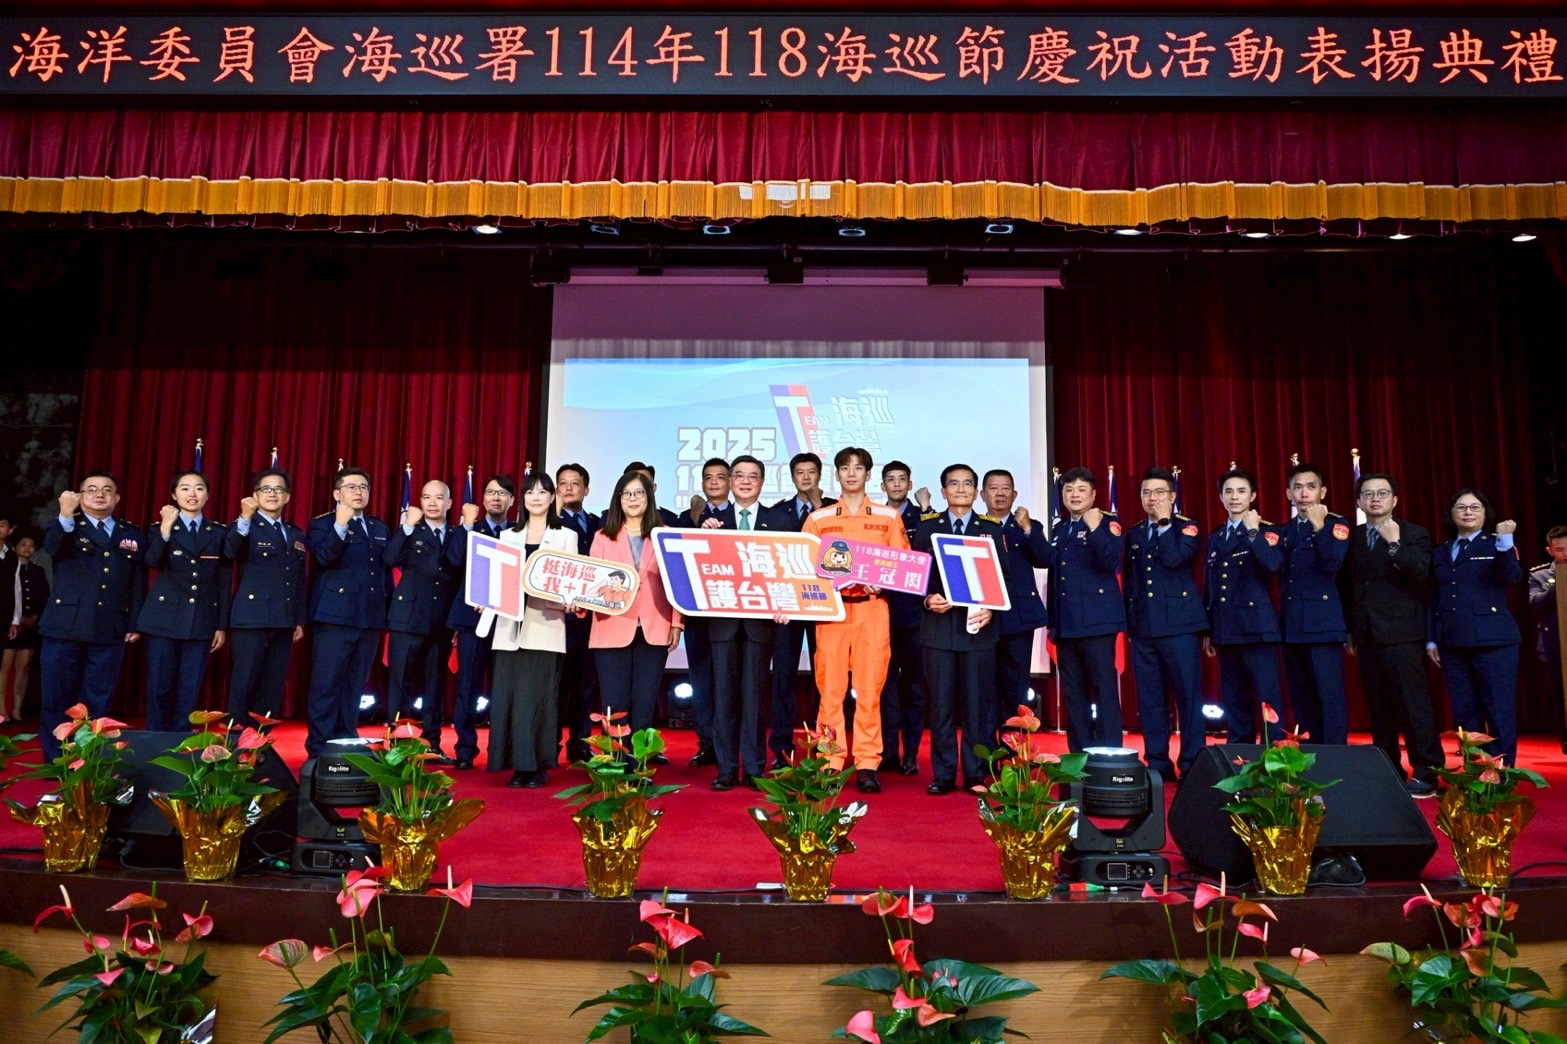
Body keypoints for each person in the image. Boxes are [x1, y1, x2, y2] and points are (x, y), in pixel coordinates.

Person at [802, 446, 910, 793]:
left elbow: (902, 563)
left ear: (868, 474)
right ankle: (830, 762)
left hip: (872, 609)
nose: (851, 474)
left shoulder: (887, 517)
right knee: (830, 690)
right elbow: (802, 566)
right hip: (832, 612)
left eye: (858, 468)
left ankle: (866, 763)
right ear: (837, 474)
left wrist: (885, 579)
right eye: (845, 468)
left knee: (869, 691)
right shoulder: (819, 519)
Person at [1341, 472, 1442, 797]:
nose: (1375, 499)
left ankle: (1427, 771)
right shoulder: (1353, 537)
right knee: (1379, 708)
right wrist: (1351, 629)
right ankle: (1388, 770)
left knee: (1414, 706)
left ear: (1395, 499)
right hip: (1366, 635)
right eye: (1368, 494)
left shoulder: (1414, 533)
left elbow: (1421, 573)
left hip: (1403, 633)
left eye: (1382, 493)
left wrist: (1395, 543)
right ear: (1359, 501)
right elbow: (1348, 587)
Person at [39, 472, 147, 759]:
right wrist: (65, 513)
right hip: (65, 627)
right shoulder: (65, 525)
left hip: (109, 627)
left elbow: (137, 582)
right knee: (57, 696)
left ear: (117, 497)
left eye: (107, 490)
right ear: (80, 495)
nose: (100, 494)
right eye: (92, 489)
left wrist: (134, 622)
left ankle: (90, 760)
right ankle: (57, 759)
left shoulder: (131, 534)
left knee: (98, 698)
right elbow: (53, 548)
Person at [482, 471, 576, 788]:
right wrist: (485, 598)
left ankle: (535, 765)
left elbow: (573, 579)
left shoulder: (566, 535)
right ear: (522, 498)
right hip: (508, 627)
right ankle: (513, 763)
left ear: (552, 497)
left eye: (542, 492)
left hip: (545, 624)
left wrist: (571, 599)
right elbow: (495, 578)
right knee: (509, 697)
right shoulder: (507, 535)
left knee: (538, 698)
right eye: (530, 492)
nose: (536, 497)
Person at [916, 464, 1000, 794]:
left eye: (967, 484)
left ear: (977, 492)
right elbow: (916, 577)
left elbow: (1005, 579)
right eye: (954, 484)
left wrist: (992, 607)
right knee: (941, 706)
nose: (961, 489)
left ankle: (975, 774)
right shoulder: (927, 528)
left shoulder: (990, 529)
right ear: (943, 491)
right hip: (938, 630)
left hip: (978, 630)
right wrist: (927, 599)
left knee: (977, 706)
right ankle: (944, 774)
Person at [704, 454, 784, 790]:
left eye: (753, 476)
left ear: (762, 482)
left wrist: (784, 602)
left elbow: (789, 569)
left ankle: (753, 767)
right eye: (739, 475)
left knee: (754, 697)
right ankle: (725, 768)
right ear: (730, 481)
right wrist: (702, 535)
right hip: (723, 622)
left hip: (760, 623)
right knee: (723, 695)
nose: (746, 481)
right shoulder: (712, 522)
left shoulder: (779, 520)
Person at [1428, 488, 1523, 766]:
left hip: (1494, 641)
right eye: (1461, 507)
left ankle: (1501, 774)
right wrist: (1432, 639)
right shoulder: (1441, 551)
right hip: (1453, 641)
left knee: (1499, 710)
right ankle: (1474, 772)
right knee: (1465, 712)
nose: (1467, 512)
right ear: (1451, 513)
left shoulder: (1496, 544)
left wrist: (1506, 540)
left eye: (1474, 507)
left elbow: (1512, 576)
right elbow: (1435, 597)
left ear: (1485, 513)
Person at [1123, 467, 1207, 782]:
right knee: (1150, 699)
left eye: (1159, 492)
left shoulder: (1187, 528)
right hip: (1144, 629)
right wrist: (1131, 624)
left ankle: (1192, 762)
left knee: (1188, 697)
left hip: (1180, 627)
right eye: (1146, 492)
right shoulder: (1134, 534)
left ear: (1172, 496)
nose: (1152, 498)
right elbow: (1131, 583)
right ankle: (1157, 762)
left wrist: (1163, 524)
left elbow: (1173, 560)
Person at [589, 469, 683, 742]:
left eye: (639, 493)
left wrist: (677, 623)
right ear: (618, 499)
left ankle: (640, 763)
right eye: (627, 493)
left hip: (654, 627)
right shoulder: (603, 537)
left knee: (644, 702)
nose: (633, 499)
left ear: (649, 497)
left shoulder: (666, 535)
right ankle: (616, 762)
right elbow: (592, 585)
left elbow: (677, 585)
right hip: (611, 626)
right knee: (614, 703)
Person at [303, 466, 390, 757]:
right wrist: (340, 526)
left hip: (369, 618)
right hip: (334, 617)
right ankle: (318, 747)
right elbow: (324, 558)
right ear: (337, 493)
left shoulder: (378, 527)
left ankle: (345, 739)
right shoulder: (323, 525)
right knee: (326, 684)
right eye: (351, 487)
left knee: (355, 685)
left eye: (363, 487)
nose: (358, 492)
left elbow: (383, 574)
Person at [136, 470, 232, 732]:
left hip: (201, 620)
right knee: (159, 686)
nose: (192, 494)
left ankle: (181, 742)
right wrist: (166, 529)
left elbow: (223, 581)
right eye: (185, 488)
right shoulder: (158, 528)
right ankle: (156, 740)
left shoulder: (218, 532)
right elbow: (152, 561)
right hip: (163, 620)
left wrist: (221, 625)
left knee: (189, 688)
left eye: (199, 488)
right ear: (174, 494)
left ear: (207, 495)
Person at [1202, 468, 1287, 745]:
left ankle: (1276, 757)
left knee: (1268, 699)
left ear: (1253, 496)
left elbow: (1272, 565)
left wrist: (1253, 532)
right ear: (1220, 497)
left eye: (1241, 491)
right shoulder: (1216, 537)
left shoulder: (1267, 531)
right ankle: (1240, 756)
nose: (1234, 497)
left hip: (1257, 629)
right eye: (1228, 491)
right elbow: (1211, 585)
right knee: (1235, 701)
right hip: (1226, 630)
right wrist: (1209, 629)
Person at [1046, 466, 1125, 752]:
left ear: (1093, 495)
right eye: (1069, 490)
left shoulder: (1108, 523)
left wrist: (1094, 528)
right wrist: (1052, 622)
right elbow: (1056, 579)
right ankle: (1079, 756)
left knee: (1104, 691)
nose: (1074, 495)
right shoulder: (1060, 529)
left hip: (1098, 624)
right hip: (1067, 626)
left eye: (1081, 490)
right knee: (1074, 695)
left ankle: (1109, 754)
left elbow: (1111, 561)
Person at [224, 467, 308, 723]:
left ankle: (261, 740)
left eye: (279, 489)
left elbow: (298, 579)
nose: (273, 494)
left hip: (284, 621)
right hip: (252, 619)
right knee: (244, 682)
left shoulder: (294, 533)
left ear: (287, 497)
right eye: (266, 489)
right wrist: (244, 518)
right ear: (255, 495)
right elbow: (229, 552)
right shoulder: (244, 525)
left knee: (272, 686)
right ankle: (237, 738)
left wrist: (299, 619)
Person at [386, 479, 461, 760]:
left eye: (438, 497)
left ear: (449, 503)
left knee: (434, 687)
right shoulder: (411, 530)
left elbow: (459, 570)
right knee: (400, 686)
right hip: (407, 619)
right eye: (426, 497)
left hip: (441, 622)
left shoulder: (456, 534)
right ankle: (399, 748)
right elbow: (390, 558)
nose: (432, 503)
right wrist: (406, 525)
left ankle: (432, 745)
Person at [769, 451, 836, 767]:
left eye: (811, 472)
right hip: (788, 604)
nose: (806, 478)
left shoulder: (835, 509)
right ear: (792, 476)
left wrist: (820, 506)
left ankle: (826, 746)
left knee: (827, 677)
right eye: (800, 472)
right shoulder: (778, 513)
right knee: (783, 676)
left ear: (820, 476)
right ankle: (782, 748)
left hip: (824, 601)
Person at [446, 473, 516, 769]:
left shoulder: (518, 532)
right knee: (468, 687)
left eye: (502, 493)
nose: (496, 498)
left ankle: (502, 750)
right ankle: (465, 749)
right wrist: (465, 525)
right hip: (472, 621)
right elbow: (454, 560)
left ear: (512, 500)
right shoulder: (469, 529)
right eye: (490, 492)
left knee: (505, 688)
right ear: (483, 499)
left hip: (509, 622)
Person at [1277, 462, 1351, 744]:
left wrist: (1319, 527)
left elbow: (1332, 564)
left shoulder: (1336, 525)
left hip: (1323, 625)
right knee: (1301, 697)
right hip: (1291, 625)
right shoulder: (1285, 530)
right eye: (1297, 487)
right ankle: (1309, 756)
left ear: (1323, 491)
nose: (1304, 493)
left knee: (1329, 697)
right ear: (1288, 494)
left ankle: (1335, 757)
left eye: (1311, 487)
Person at [980, 468, 1050, 756]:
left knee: (1015, 687)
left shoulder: (1027, 526)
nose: (1000, 493)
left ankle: (1012, 753)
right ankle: (987, 753)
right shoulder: (976, 526)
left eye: (1005, 488)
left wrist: (1028, 529)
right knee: (985, 687)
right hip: (984, 617)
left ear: (1015, 494)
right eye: (993, 488)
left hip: (1019, 617)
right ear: (982, 494)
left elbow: (1045, 559)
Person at [679, 456, 733, 769]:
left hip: (732, 614)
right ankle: (707, 744)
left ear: (730, 482)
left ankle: (729, 743)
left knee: (729, 682)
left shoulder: (741, 516)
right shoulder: (686, 518)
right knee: (701, 682)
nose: (714, 482)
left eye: (720, 477)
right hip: (698, 614)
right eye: (708, 477)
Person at [877, 460, 930, 775]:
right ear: (882, 485)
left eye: (902, 480)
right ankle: (887, 752)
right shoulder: (874, 517)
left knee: (913, 688)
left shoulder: (922, 517)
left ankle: (910, 754)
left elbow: (929, 554)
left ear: (910, 484)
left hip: (914, 616)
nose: (896, 484)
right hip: (880, 614)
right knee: (883, 688)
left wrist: (926, 510)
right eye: (890, 480)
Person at [553, 463, 599, 763]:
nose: (569, 488)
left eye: (575, 483)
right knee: (556, 684)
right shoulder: (549, 523)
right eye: (563, 483)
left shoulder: (597, 523)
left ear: (586, 490)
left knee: (586, 684)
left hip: (591, 618)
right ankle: (550, 744)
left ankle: (580, 744)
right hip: (557, 616)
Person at [1528, 525, 1567, 749]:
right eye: (1560, 550)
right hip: (1554, 645)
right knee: (1560, 697)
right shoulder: (1540, 574)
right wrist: (1559, 582)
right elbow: (1535, 602)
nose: (1565, 554)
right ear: (1550, 550)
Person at [2, 533, 48, 720]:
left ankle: (17, 710)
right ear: (14, 547)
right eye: (23, 544)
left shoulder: (38, 571)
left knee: (24, 668)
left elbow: (44, 596)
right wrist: (13, 619)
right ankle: (2, 711)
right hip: (9, 625)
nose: (27, 548)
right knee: (4, 669)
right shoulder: (6, 567)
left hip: (30, 627)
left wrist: (34, 617)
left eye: (31, 545)